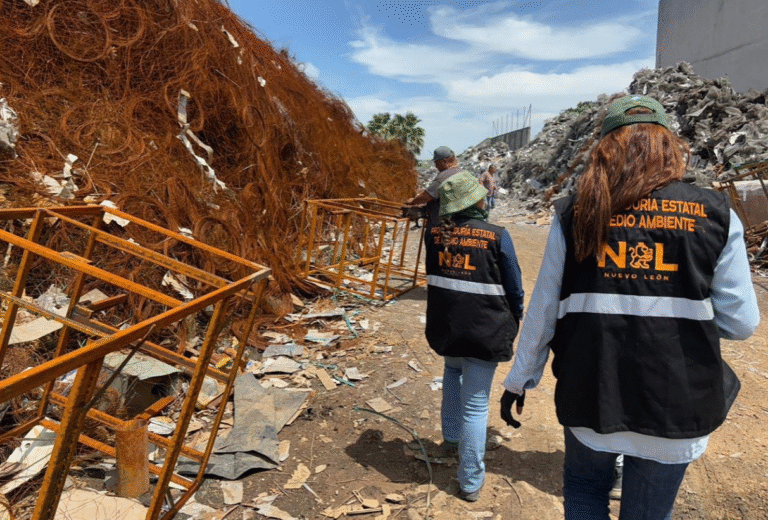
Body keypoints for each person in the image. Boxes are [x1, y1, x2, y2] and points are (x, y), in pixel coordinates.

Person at [499, 95, 759, 519]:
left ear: (603, 150)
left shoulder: (575, 212)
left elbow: (545, 310)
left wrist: (519, 379)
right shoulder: (716, 213)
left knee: (584, 491)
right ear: (668, 146)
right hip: (676, 406)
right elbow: (742, 321)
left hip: (591, 397)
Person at [425, 171, 525, 502]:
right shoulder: (497, 236)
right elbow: (514, 286)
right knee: (476, 405)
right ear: (478, 200)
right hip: (485, 330)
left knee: (452, 374)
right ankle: (469, 480)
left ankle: (452, 438)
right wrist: (517, 314)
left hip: (448, 327)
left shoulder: (434, 233)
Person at [405, 146, 469, 231]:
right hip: (460, 222)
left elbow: (426, 196)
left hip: (442, 225)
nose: (436, 166)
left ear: (444, 161)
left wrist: (412, 201)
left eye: (437, 163)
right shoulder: (462, 172)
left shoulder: (444, 176)